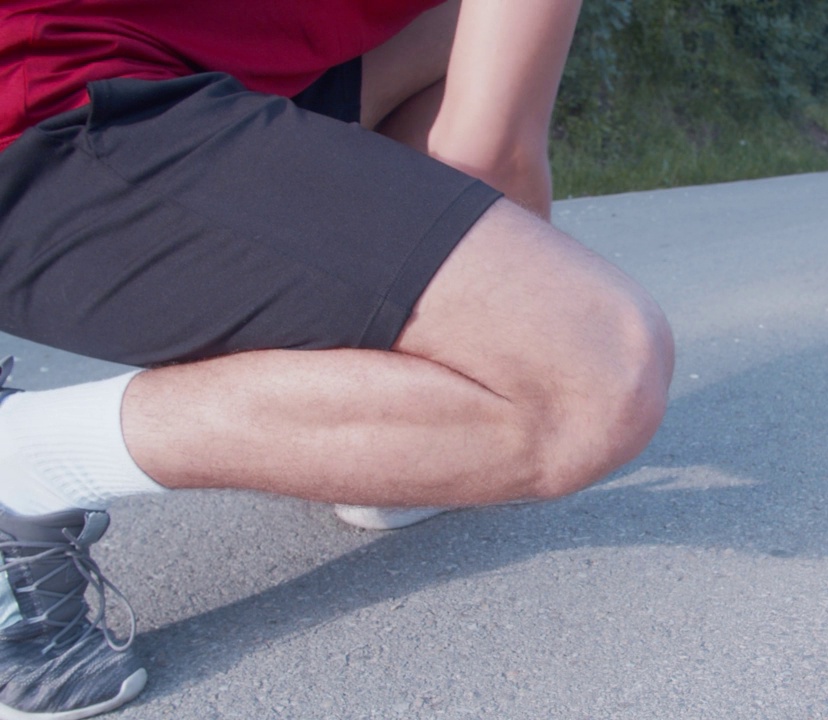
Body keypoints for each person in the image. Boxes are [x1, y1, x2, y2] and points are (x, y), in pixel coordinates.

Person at [0, 1, 675, 717]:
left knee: (452, 32)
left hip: (170, 69)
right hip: (49, 121)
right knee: (592, 380)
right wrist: (500, 355)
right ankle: (31, 460)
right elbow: (491, 155)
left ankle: (379, 430)